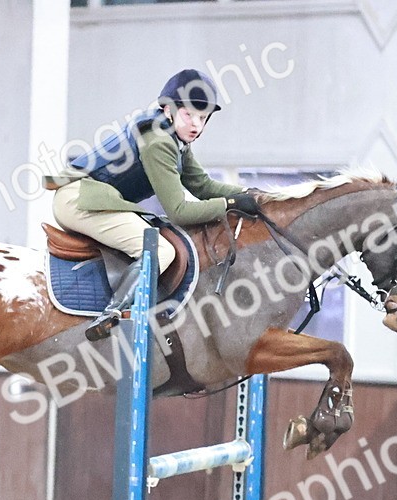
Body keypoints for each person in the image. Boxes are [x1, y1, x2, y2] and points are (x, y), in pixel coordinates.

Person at [48, 69, 260, 341]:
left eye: (202, 117)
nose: (195, 124)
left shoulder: (175, 137)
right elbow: (179, 212)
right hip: (80, 200)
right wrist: (230, 203)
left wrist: (251, 195)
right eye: (189, 115)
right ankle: (114, 312)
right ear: (168, 110)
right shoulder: (158, 142)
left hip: (90, 198)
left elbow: (203, 186)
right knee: (161, 250)